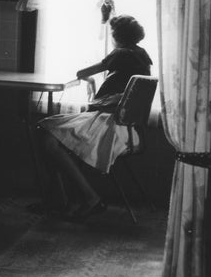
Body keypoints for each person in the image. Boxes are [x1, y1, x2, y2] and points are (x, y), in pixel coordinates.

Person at [37, 15, 152, 220]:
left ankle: (85, 198)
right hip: (128, 129)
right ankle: (66, 200)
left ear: (117, 36)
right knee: (52, 138)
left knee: (47, 134)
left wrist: (89, 79)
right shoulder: (142, 55)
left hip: (109, 124)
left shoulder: (121, 54)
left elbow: (82, 72)